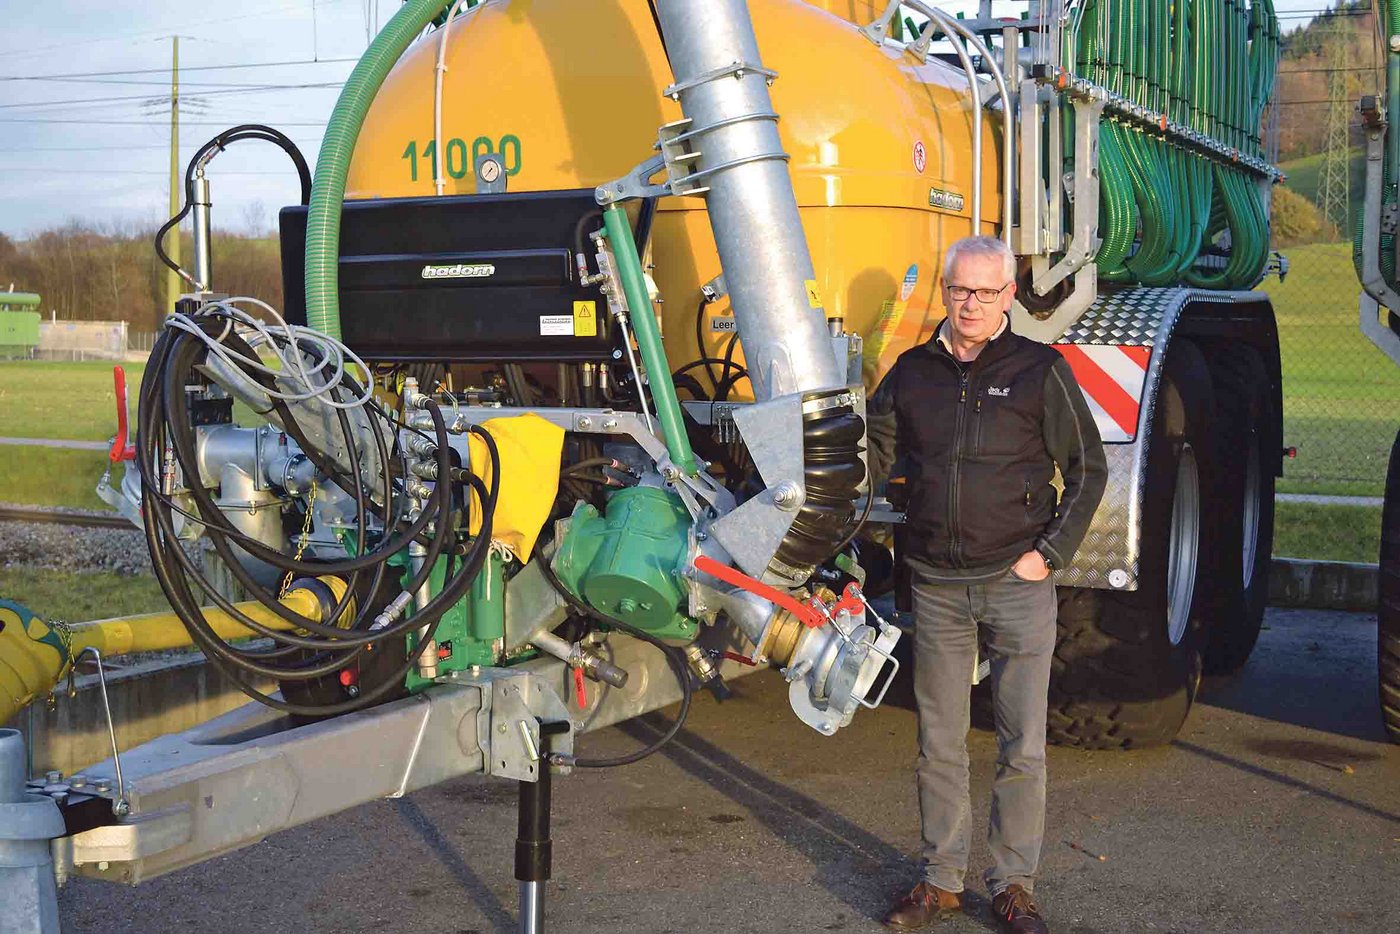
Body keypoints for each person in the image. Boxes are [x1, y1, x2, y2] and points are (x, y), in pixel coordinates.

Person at [867, 235, 1107, 933]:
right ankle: (940, 880)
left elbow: (1089, 469)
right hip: (937, 584)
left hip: (1016, 580)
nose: (971, 304)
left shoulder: (1039, 370)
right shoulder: (912, 372)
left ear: (1009, 296)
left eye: (987, 292)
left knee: (1020, 742)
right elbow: (870, 459)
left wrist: (1050, 554)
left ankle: (1012, 883)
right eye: (960, 290)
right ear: (945, 291)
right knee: (938, 741)